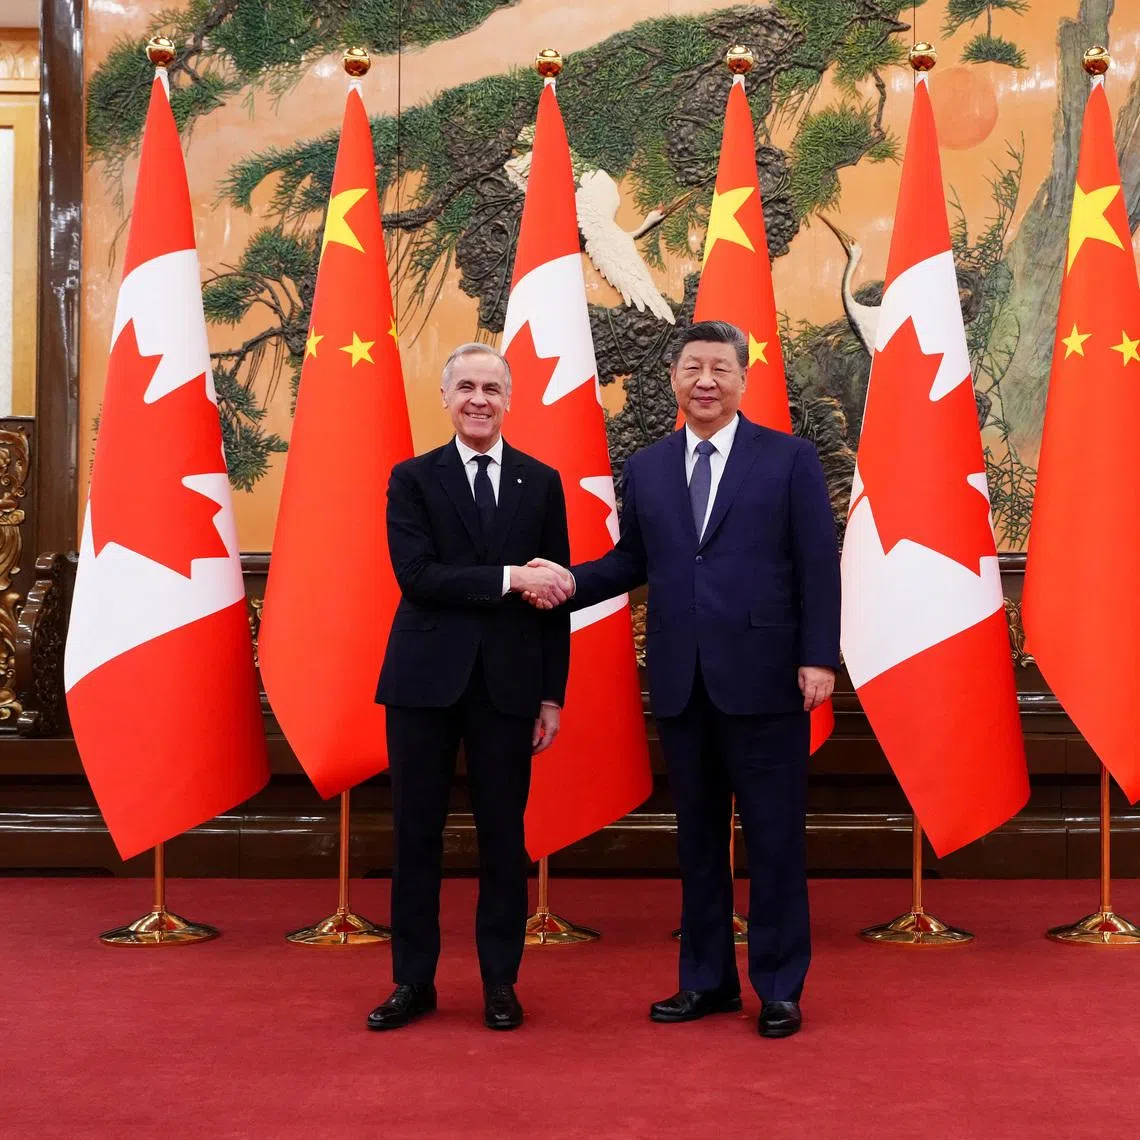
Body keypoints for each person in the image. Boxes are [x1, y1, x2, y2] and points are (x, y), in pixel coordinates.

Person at [526, 320, 840, 1038]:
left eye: (720, 368)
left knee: (773, 841)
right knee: (697, 842)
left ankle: (779, 986)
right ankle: (706, 983)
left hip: (769, 681)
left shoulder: (788, 458)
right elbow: (633, 559)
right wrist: (568, 578)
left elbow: (818, 564)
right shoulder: (649, 466)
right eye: (693, 367)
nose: (706, 380)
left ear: (743, 378)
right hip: (681, 682)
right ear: (673, 378)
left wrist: (819, 656)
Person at [370, 342, 572, 1032]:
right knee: (415, 837)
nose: (479, 399)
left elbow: (555, 600)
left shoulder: (542, 482)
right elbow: (418, 576)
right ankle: (413, 981)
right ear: (446, 398)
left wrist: (553, 695)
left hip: (510, 686)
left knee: (502, 841)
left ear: (509, 399)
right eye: (466, 388)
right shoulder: (412, 479)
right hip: (423, 685)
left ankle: (500, 983)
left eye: (491, 387)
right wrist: (510, 578)